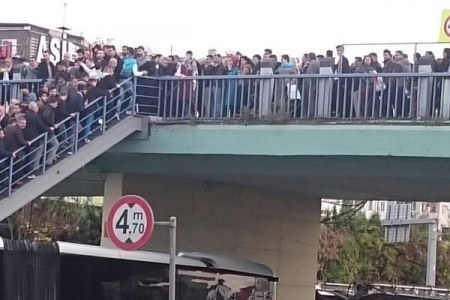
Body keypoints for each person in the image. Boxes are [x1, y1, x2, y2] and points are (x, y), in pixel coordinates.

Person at [23, 102, 53, 178]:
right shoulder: (36, 116)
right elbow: (41, 126)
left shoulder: (26, 116)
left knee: (28, 156)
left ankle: (27, 171)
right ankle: (31, 172)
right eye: (36, 107)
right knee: (33, 156)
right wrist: (50, 129)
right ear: (33, 108)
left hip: (26, 138)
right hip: (34, 139)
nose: (38, 108)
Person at [4, 116, 31, 187]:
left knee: (12, 167)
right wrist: (27, 143)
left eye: (25, 123)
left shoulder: (10, 128)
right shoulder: (18, 129)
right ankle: (15, 182)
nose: (24, 125)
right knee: (17, 167)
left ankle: (12, 182)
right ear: (18, 122)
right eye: (22, 123)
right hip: (16, 151)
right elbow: (20, 140)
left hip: (9, 150)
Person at [39, 97, 60, 165]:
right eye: (55, 104)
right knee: (55, 144)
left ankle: (47, 159)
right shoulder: (48, 109)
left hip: (42, 130)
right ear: (51, 103)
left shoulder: (43, 107)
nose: (56, 106)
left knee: (43, 146)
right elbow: (45, 117)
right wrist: (52, 125)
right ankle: (49, 160)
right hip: (48, 130)